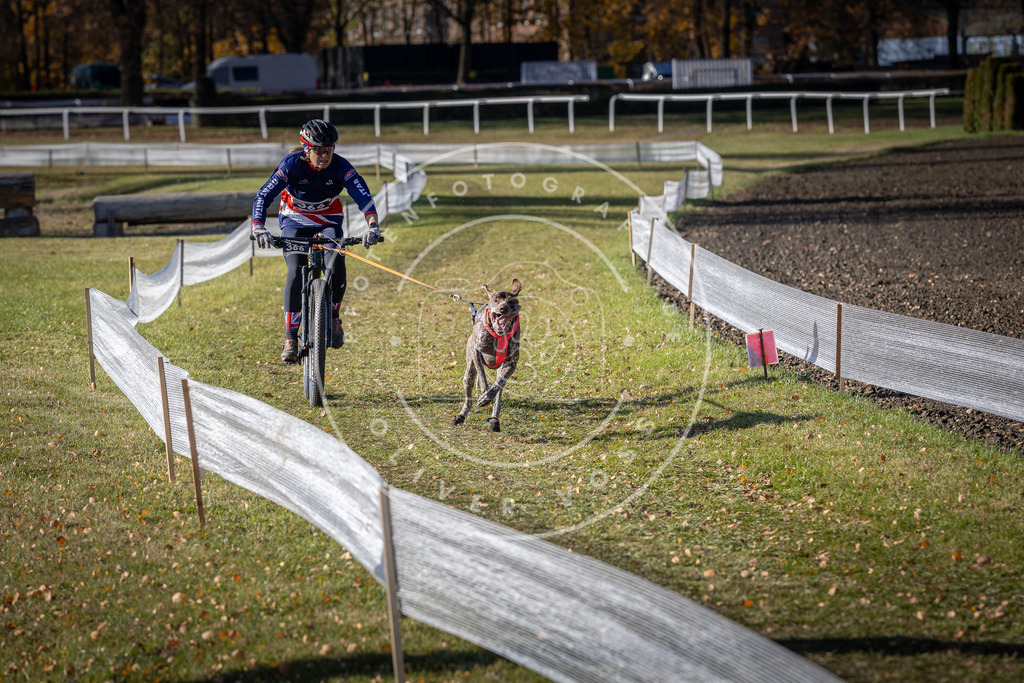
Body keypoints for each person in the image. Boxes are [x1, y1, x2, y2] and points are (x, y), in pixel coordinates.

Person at [250, 119, 382, 363]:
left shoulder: (342, 167)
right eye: (319, 150)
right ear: (306, 149)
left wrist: (373, 226)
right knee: (295, 269)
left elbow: (364, 198)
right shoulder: (291, 165)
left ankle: (333, 315)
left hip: (328, 221)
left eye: (329, 149)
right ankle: (291, 335)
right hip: (294, 221)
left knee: (337, 259)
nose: (325, 155)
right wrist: (258, 227)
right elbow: (263, 196)